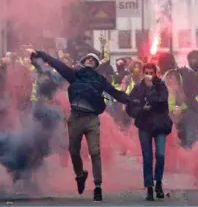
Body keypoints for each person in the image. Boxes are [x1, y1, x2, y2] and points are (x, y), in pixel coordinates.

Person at [30, 50, 133, 202]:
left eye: (93, 59)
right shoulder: (74, 75)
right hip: (75, 118)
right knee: (73, 151)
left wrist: (133, 101)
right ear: (83, 62)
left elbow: (116, 93)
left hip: (92, 119)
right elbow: (58, 65)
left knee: (95, 152)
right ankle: (80, 175)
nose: (90, 60)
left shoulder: (100, 79)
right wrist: (44, 56)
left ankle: (98, 187)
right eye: (88, 58)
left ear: (96, 64)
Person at [126, 63, 172, 201]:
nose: (148, 75)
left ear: (155, 73)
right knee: (147, 158)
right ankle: (149, 187)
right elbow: (130, 106)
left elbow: (162, 101)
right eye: (146, 72)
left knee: (161, 155)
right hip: (145, 125)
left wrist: (151, 89)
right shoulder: (138, 88)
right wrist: (140, 109)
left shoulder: (161, 86)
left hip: (160, 125)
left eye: (151, 73)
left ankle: (158, 182)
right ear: (142, 73)